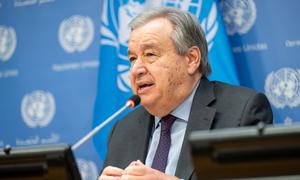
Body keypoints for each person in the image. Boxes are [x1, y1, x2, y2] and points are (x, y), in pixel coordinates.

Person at [98, 7, 273, 180]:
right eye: (132, 59)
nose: (136, 69)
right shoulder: (122, 130)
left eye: (150, 54)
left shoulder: (241, 112)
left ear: (191, 59)